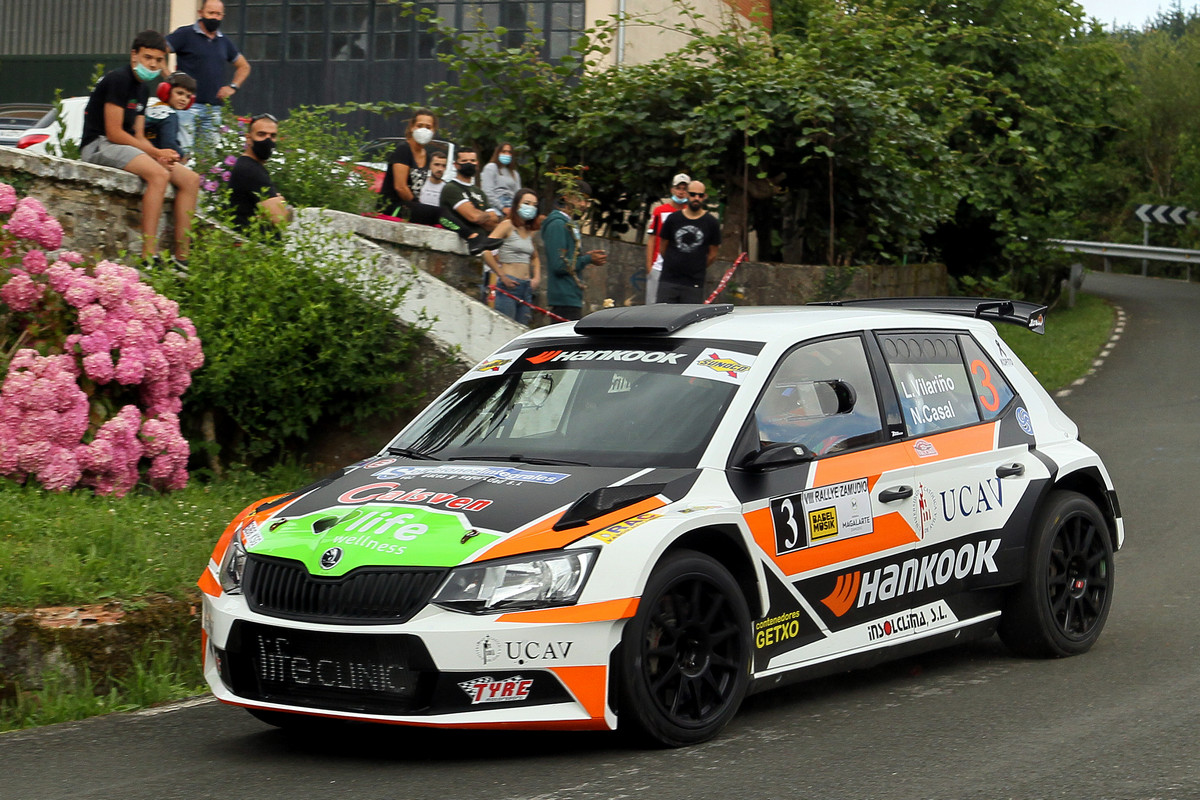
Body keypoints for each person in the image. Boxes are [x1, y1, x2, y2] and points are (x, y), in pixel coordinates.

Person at [80, 30, 200, 265]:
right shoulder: (118, 79)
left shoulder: (143, 90)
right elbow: (114, 132)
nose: (152, 64)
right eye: (148, 58)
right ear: (134, 55)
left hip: (120, 144)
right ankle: (148, 255)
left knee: (191, 180)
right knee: (158, 174)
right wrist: (156, 154)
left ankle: (182, 259)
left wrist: (162, 154)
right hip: (99, 144)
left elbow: (138, 135)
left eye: (158, 60)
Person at [167, 0, 250, 151]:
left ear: (223, 16)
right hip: (186, 106)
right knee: (183, 152)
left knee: (208, 159)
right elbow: (159, 50)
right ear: (201, 13)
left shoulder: (224, 42)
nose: (214, 17)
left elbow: (244, 66)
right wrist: (168, 77)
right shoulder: (185, 34)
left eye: (218, 14)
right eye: (210, 13)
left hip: (213, 109)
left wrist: (233, 87)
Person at [543, 179, 607, 321]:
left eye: (586, 200)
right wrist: (587, 259)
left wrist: (583, 257)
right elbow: (559, 265)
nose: (583, 205)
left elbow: (569, 258)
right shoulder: (558, 225)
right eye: (579, 199)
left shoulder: (570, 224)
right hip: (563, 299)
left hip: (572, 297)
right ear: (566, 196)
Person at [482, 188, 542, 325]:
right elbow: (486, 250)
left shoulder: (529, 231)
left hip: (526, 288)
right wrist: (501, 275)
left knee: (522, 331)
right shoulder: (506, 225)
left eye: (534, 205)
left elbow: (535, 257)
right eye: (527, 203)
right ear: (517, 205)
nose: (531, 208)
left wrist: (536, 277)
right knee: (505, 327)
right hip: (509, 286)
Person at [657, 180, 721, 304]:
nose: (696, 198)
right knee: (663, 317)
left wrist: (696, 266)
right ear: (686, 194)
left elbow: (713, 254)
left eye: (700, 195)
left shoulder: (711, 223)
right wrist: (674, 261)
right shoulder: (673, 219)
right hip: (669, 280)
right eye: (693, 194)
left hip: (694, 283)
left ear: (705, 197)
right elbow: (663, 246)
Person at [228, 113, 289, 231]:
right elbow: (280, 220)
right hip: (253, 246)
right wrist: (283, 206)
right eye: (261, 134)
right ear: (248, 138)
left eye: (272, 136)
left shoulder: (251, 166)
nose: (268, 140)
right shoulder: (250, 170)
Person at [438, 146, 504, 255]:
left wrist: (479, 215)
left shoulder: (479, 191)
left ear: (477, 164)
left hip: (481, 248)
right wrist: (483, 215)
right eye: (464, 161)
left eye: (472, 161)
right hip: (458, 247)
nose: (469, 163)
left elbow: (493, 222)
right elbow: (474, 217)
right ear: (456, 165)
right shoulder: (451, 188)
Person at [380, 108, 439, 222]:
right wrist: (418, 206)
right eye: (419, 126)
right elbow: (400, 187)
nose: (423, 130)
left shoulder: (427, 156)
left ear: (434, 130)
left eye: (428, 127)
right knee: (440, 214)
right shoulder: (403, 149)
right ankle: (473, 237)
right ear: (412, 127)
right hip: (394, 207)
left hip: (412, 207)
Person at [644, 172, 690, 304]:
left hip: (682, 270)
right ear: (672, 190)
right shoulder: (660, 211)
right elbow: (652, 239)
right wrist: (649, 266)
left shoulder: (691, 213)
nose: (681, 192)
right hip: (659, 267)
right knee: (653, 305)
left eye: (684, 189)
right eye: (678, 188)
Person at [144, 71, 196, 161]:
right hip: (153, 157)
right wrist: (182, 156)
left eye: (188, 96)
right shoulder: (169, 116)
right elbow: (168, 144)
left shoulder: (152, 107)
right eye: (180, 93)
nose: (184, 99)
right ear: (166, 91)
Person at [480, 142, 522, 217]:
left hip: (512, 205)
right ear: (498, 153)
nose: (506, 154)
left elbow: (518, 194)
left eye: (509, 152)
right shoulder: (491, 167)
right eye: (503, 151)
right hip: (496, 204)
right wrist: (502, 208)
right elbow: (487, 192)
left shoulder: (514, 173)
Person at [412, 148, 448, 224]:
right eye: (436, 164)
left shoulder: (447, 188)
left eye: (443, 166)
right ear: (429, 165)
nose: (440, 169)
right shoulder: (420, 183)